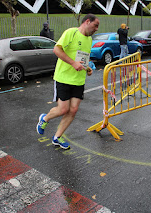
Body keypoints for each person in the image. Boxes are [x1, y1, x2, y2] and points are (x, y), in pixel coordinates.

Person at [36, 14, 100, 149]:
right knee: (63, 109)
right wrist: (72, 63)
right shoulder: (71, 32)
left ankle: (57, 137)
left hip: (78, 80)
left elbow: (82, 59)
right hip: (63, 78)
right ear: (87, 21)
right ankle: (45, 118)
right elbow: (57, 49)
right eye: (95, 25)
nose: (96, 29)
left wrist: (87, 68)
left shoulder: (89, 40)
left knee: (73, 110)